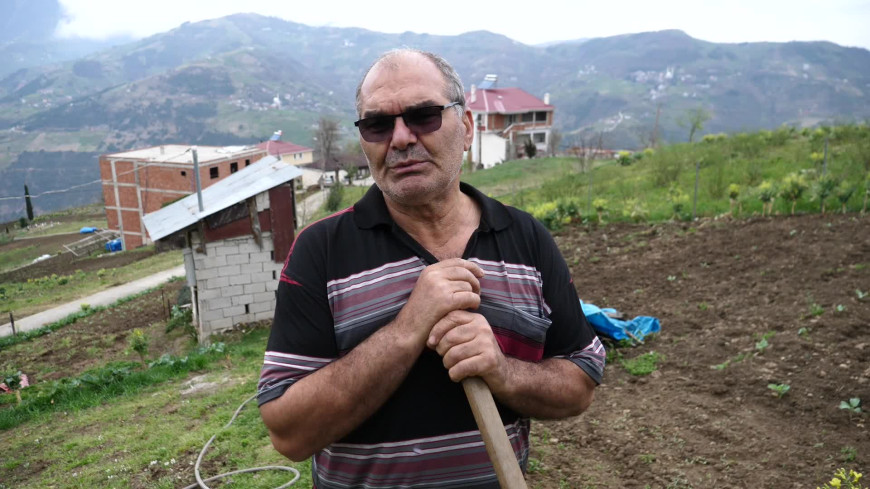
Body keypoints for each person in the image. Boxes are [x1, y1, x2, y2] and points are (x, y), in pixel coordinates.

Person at [258, 48, 605, 488]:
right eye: (378, 123)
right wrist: (407, 329)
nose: (400, 138)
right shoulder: (321, 252)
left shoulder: (525, 239)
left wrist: (503, 371)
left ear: (466, 128)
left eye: (424, 115)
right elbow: (288, 432)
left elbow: (580, 384)